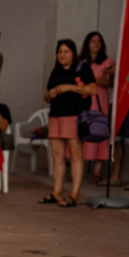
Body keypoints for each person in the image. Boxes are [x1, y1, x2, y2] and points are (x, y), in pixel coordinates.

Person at [41, 39, 97, 208]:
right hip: (55, 116)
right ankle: (57, 191)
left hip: (74, 116)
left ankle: (74, 194)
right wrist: (50, 94)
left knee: (75, 155)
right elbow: (46, 97)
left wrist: (68, 87)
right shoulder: (55, 71)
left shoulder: (82, 68)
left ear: (73, 53)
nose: (62, 55)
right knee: (57, 156)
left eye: (66, 51)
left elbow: (92, 89)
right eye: (60, 52)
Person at [79, 32, 116, 184]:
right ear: (87, 43)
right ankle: (78, 170)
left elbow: (110, 83)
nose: (96, 44)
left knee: (99, 131)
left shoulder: (107, 62)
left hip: (99, 100)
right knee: (81, 133)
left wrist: (92, 80)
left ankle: (97, 172)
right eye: (93, 41)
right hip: (83, 100)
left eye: (99, 41)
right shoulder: (81, 61)